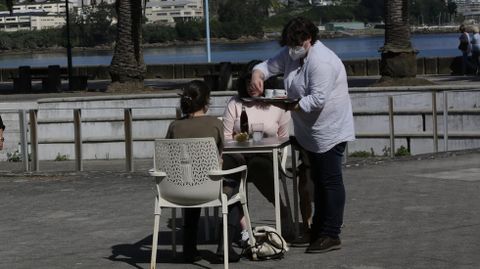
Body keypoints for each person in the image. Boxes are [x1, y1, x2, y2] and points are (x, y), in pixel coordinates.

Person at [250, 17, 355, 254]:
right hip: (309, 132)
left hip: (330, 130)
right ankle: (317, 230)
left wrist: (288, 105)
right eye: (288, 44)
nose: (291, 48)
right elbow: (268, 65)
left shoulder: (322, 61)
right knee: (317, 181)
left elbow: (318, 100)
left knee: (330, 181)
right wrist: (258, 74)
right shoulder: (291, 53)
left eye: (295, 43)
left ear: (308, 40)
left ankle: (331, 233)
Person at [165, 80, 237, 263]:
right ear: (207, 101)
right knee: (234, 188)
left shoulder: (174, 126)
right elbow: (221, 153)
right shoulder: (214, 124)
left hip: (179, 189)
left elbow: (168, 156)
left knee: (191, 180)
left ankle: (189, 248)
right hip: (210, 188)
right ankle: (224, 249)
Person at [222, 60, 293, 241]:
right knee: (231, 168)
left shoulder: (278, 105)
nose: (251, 87)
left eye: (254, 83)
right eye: (247, 83)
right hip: (239, 155)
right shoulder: (235, 103)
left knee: (257, 164)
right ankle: (244, 227)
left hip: (267, 157)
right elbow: (226, 136)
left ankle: (282, 211)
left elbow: (283, 137)